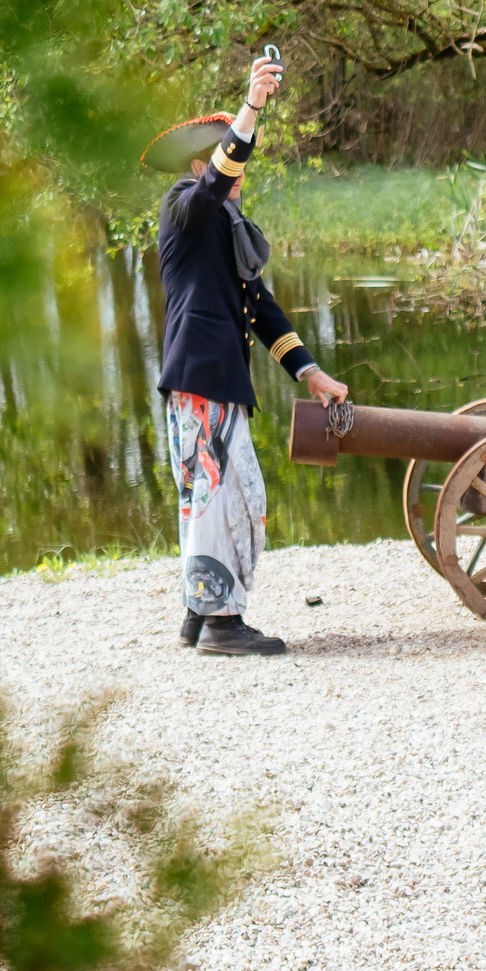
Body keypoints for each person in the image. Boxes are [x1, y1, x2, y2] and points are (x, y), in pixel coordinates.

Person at [145, 49, 350, 655]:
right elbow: (216, 181)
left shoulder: (224, 230)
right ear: (200, 165)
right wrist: (253, 104)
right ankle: (222, 624)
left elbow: (260, 310)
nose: (238, 171)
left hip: (213, 380)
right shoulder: (184, 208)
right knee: (228, 494)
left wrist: (310, 372)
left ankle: (198, 613)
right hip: (202, 377)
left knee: (209, 495)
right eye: (225, 159)